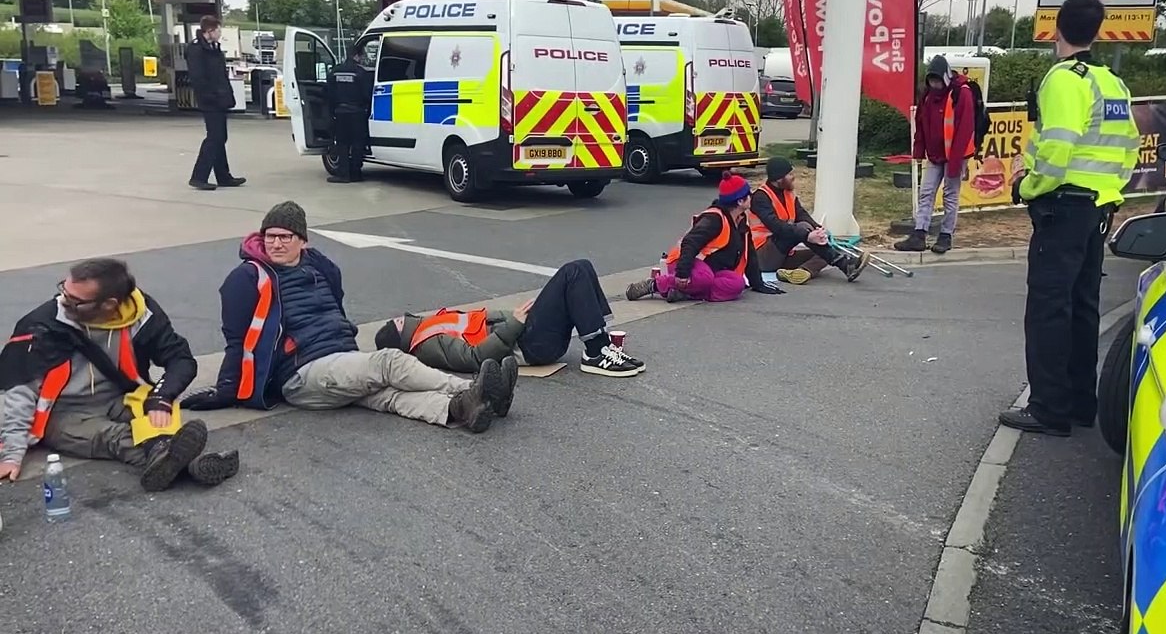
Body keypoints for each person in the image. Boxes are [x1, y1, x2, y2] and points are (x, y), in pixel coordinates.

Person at [182, 201, 515, 434]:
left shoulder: (317, 266)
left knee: (390, 397)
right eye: (270, 236)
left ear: (303, 241)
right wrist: (225, 390)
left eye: (286, 237)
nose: (276, 243)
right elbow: (237, 340)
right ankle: (474, 389)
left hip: (339, 362)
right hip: (301, 374)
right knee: (388, 364)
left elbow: (335, 297)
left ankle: (460, 409)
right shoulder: (248, 277)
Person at [999, 0, 1140, 436]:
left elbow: (1056, 149)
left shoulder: (1064, 79)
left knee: (1048, 309)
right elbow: (1129, 148)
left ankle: (1049, 408)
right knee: (1082, 307)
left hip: (1063, 208)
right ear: (1098, 31)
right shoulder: (1112, 83)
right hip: (1098, 209)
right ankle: (1081, 402)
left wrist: (1027, 185)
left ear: (1056, 29)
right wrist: (1109, 193)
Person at [0, 258, 238, 491]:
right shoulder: (43, 324)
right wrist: (12, 454)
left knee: (159, 416)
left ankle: (169, 458)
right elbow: (20, 389)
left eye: (75, 300)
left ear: (109, 304)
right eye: (64, 290)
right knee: (111, 437)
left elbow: (181, 360)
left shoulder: (142, 314)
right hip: (63, 411)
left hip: (121, 396)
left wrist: (161, 398)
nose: (63, 301)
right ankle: (186, 461)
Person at [375, 259, 647, 379]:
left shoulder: (428, 328)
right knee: (572, 272)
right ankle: (596, 353)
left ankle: (600, 343)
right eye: (395, 323)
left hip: (527, 334)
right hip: (529, 345)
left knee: (582, 267)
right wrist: (516, 323)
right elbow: (474, 358)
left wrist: (517, 319)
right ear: (399, 335)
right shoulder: (425, 343)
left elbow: (481, 326)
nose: (399, 318)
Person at [626, 172, 785, 303]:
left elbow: (749, 254)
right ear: (740, 201)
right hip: (686, 263)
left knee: (737, 283)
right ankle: (656, 284)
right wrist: (682, 273)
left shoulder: (741, 220)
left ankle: (687, 293)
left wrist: (758, 284)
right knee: (705, 278)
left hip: (712, 270)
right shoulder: (714, 219)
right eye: (748, 195)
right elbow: (689, 243)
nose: (751, 197)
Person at [895, 55, 975, 254]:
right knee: (926, 193)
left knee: (950, 195)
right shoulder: (928, 96)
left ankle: (946, 235)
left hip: (955, 155)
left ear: (946, 78)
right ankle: (919, 234)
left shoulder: (961, 93)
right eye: (932, 81)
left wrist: (955, 162)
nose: (935, 85)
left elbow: (965, 129)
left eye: (937, 81)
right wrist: (919, 152)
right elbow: (921, 125)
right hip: (935, 154)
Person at [748, 156, 870, 285]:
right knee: (803, 228)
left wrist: (819, 231)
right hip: (762, 255)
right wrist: (808, 235)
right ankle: (845, 265)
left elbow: (801, 214)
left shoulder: (788, 193)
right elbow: (777, 227)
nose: (793, 177)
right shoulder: (760, 197)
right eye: (790, 174)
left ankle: (802, 272)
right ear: (779, 178)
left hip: (783, 254)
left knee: (824, 251)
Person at [186, 15, 245, 191]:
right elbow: (198, 78)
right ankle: (198, 176)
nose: (220, 33)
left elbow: (220, 76)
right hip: (210, 101)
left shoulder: (214, 48)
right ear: (210, 31)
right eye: (218, 30)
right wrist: (211, 96)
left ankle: (223, 176)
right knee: (215, 137)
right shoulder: (197, 50)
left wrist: (227, 96)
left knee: (220, 137)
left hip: (220, 99)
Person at [325, 52, 373, 184]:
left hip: (341, 112)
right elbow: (367, 95)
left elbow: (329, 92)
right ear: (357, 56)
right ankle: (356, 174)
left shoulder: (335, 71)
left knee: (343, 144)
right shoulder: (360, 73)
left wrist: (332, 110)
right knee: (358, 143)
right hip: (357, 112)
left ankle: (343, 174)